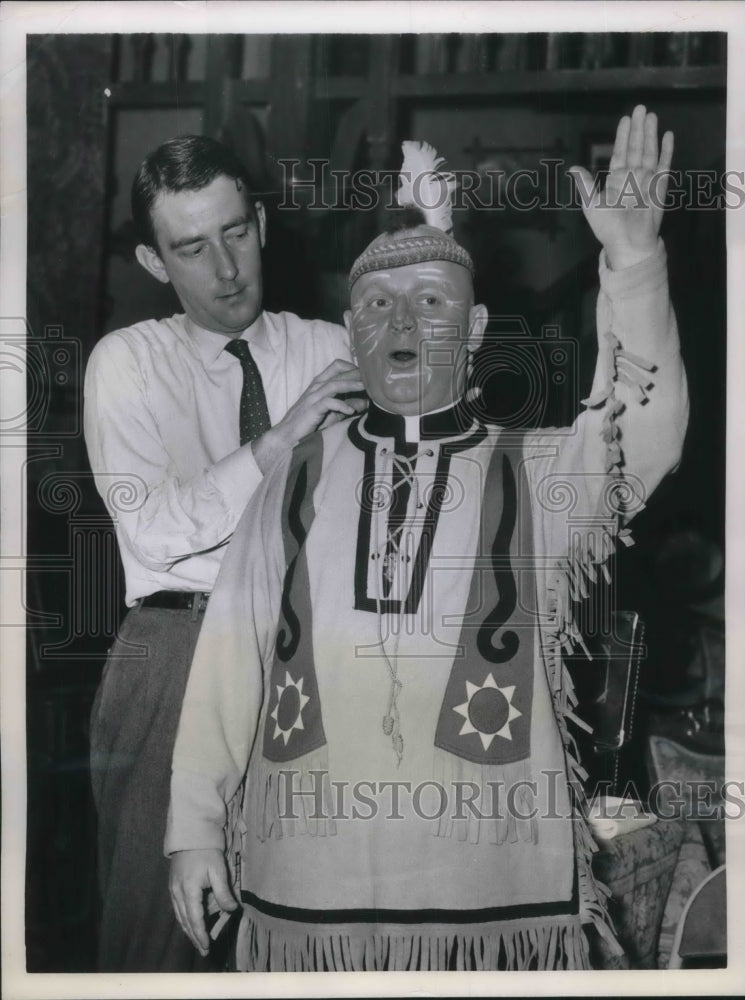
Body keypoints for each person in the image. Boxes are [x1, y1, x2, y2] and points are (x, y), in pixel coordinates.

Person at [166, 106, 688, 970]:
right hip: (306, 894)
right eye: (375, 305)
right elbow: (230, 653)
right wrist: (193, 827)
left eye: (431, 302)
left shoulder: (535, 467)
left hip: (491, 901)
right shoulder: (296, 473)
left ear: (475, 332)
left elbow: (648, 433)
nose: (400, 324)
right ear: (352, 332)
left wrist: (632, 262)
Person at [83, 134, 365, 971]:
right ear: (152, 259)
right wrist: (279, 442)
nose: (225, 268)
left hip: (312, 653)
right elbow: (153, 530)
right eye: (191, 248)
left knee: (297, 932)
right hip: (176, 650)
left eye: (236, 233)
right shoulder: (127, 363)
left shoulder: (329, 348)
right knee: (156, 941)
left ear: (263, 223)